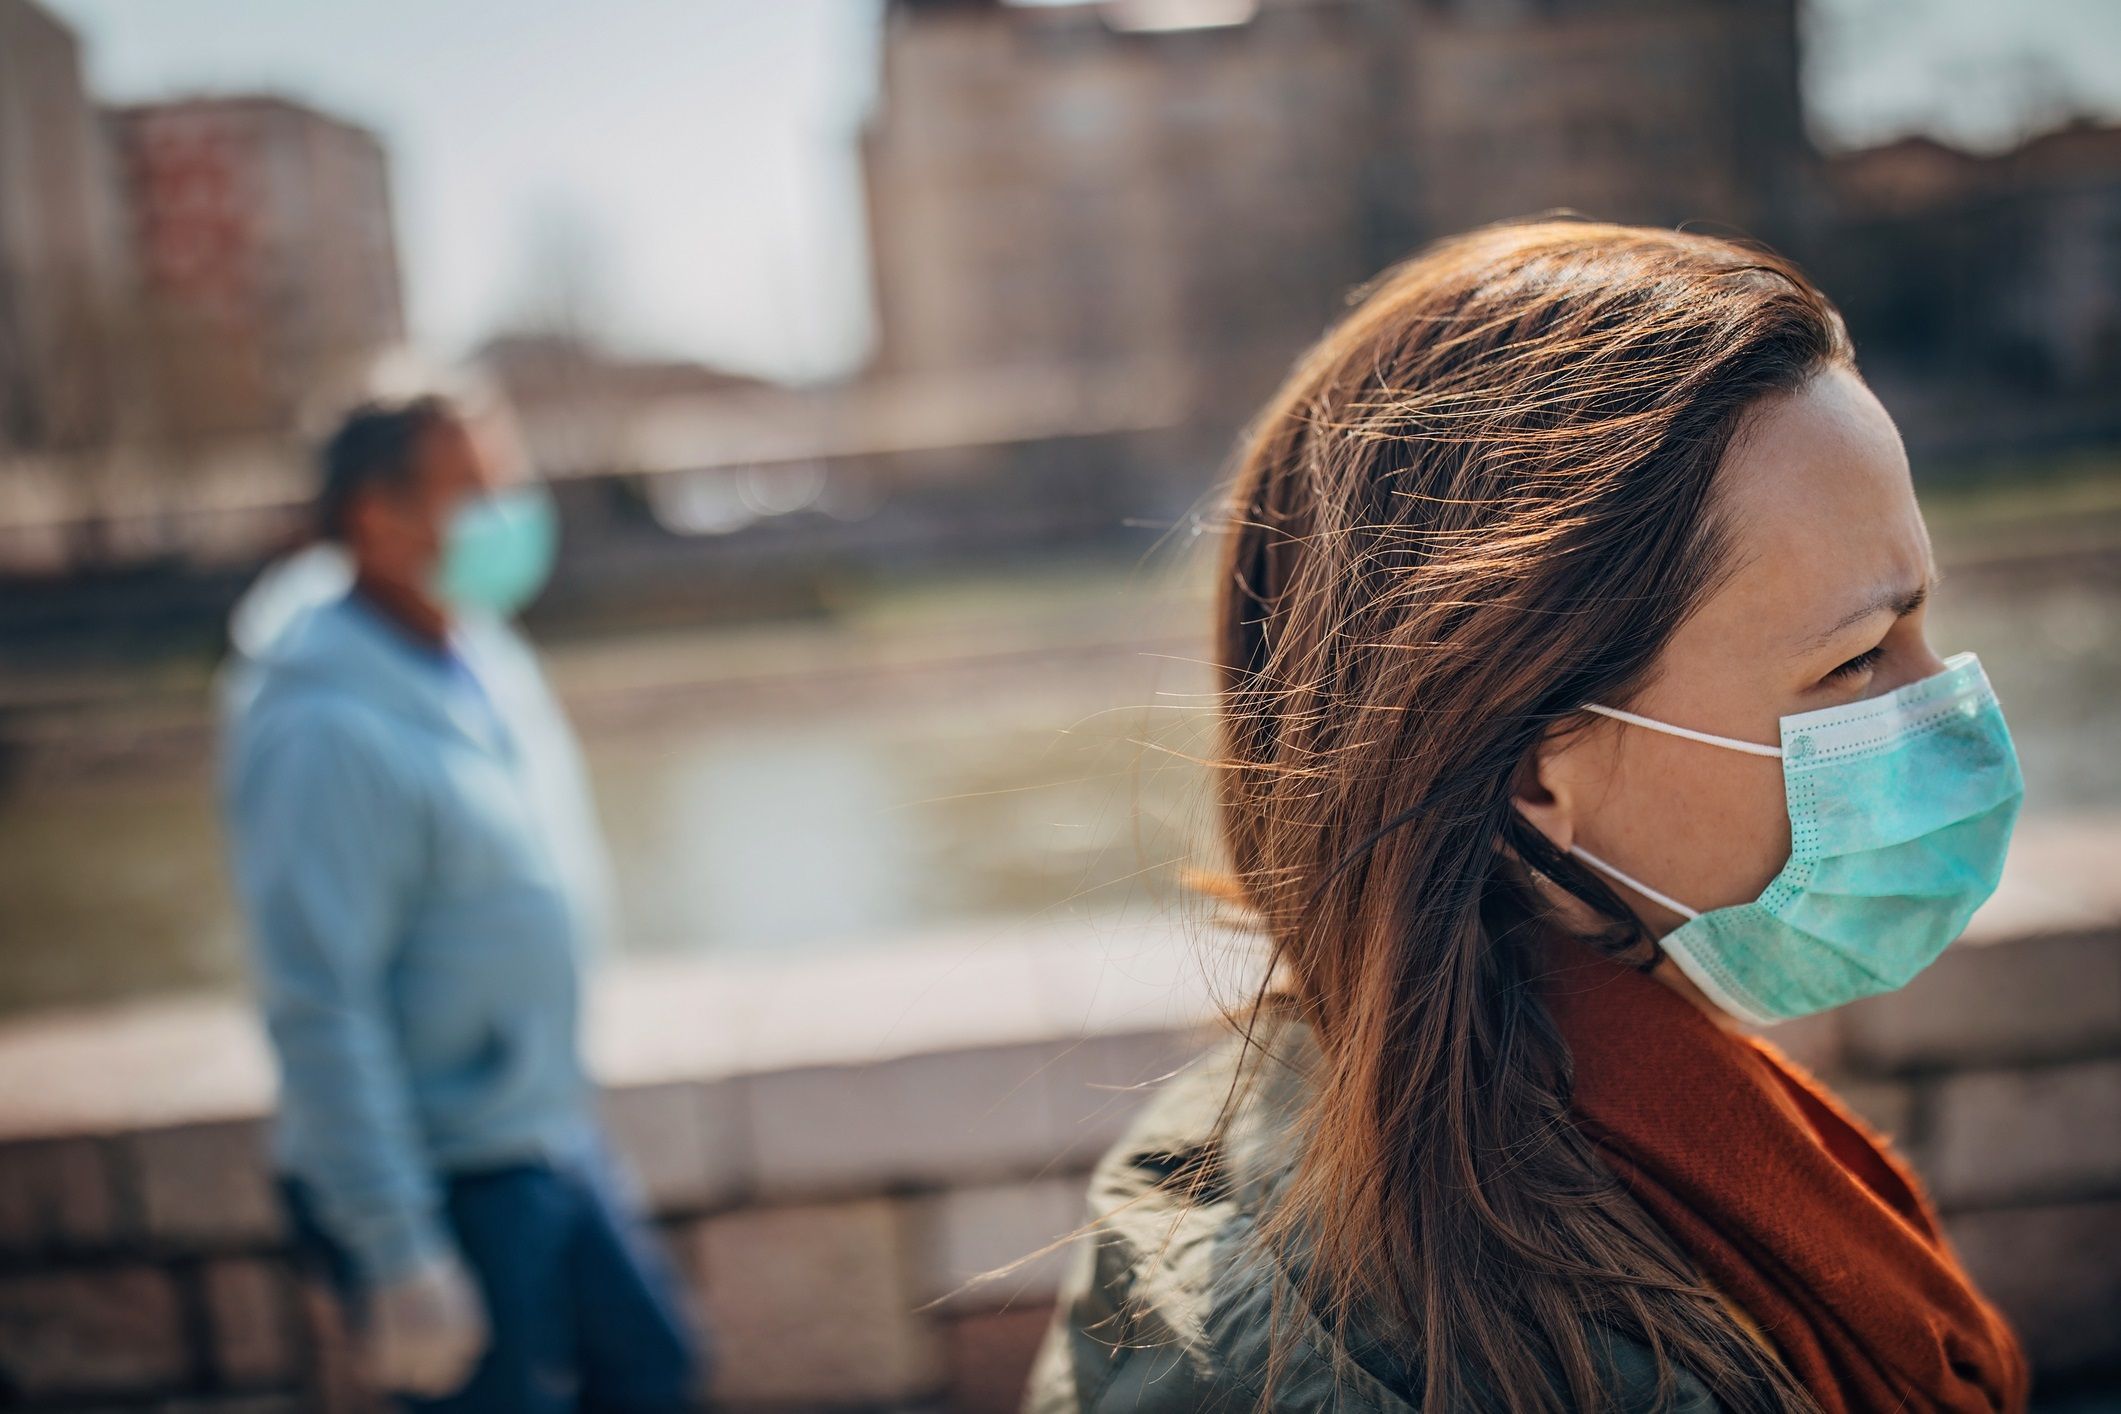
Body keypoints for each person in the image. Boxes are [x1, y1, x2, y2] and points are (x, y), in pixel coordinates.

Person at [1026, 221, 2029, 1413]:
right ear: (1536, 769)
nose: (1951, 702)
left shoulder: (1323, 1098)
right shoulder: (1517, 1364)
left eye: (1924, 619)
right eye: (1860, 656)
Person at [219, 396, 704, 1411]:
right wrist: (397, 1251)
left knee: (654, 1368)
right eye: (477, 491)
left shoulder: (476, 644)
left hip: (542, 1131)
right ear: (377, 518)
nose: (512, 513)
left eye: (510, 481)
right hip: (445, 1181)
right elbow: (317, 1000)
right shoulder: (321, 731)